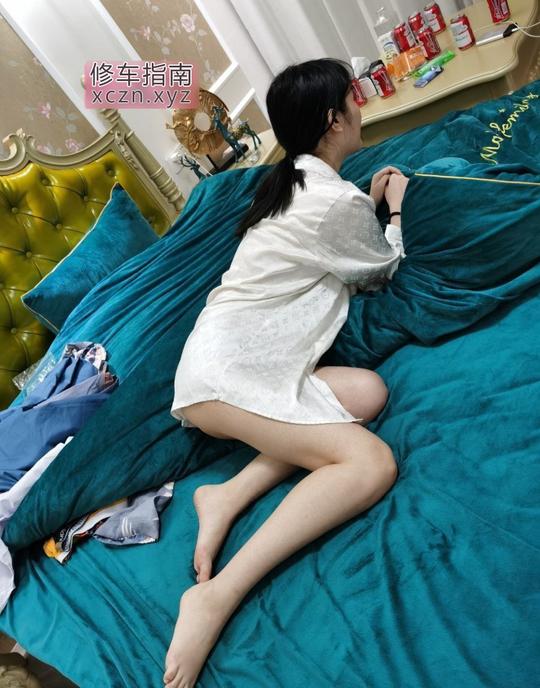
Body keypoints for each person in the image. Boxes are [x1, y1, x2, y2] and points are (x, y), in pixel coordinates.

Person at [164, 57, 409, 687]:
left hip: (232, 362)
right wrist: (393, 210)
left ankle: (227, 493)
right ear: (333, 119)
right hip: (228, 377)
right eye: (353, 98)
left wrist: (365, 203)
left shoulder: (294, 182)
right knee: (371, 463)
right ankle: (217, 595)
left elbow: (331, 241)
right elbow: (379, 269)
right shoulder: (330, 199)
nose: (360, 105)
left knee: (365, 392)